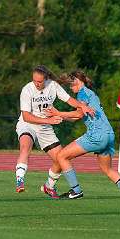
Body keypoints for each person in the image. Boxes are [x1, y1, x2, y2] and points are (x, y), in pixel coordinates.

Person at [45, 70, 120, 200]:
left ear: (78, 81)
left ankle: (76, 191)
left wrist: (59, 113)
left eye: (71, 84)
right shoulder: (92, 94)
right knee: (107, 169)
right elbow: (77, 117)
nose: (70, 87)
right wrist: (60, 116)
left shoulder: (82, 94)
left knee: (62, 156)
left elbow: (79, 114)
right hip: (109, 135)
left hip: (96, 135)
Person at [15, 65, 94, 198]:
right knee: (25, 147)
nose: (37, 84)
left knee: (61, 158)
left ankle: (49, 186)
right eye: (34, 81)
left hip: (45, 127)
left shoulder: (53, 86)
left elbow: (70, 100)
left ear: (46, 79)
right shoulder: (27, 89)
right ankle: (20, 180)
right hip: (28, 124)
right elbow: (26, 116)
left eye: (40, 81)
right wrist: (49, 121)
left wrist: (83, 106)